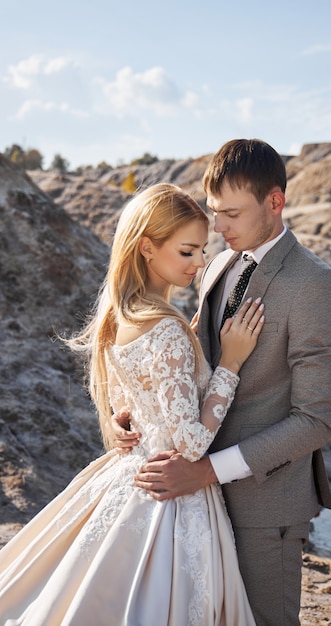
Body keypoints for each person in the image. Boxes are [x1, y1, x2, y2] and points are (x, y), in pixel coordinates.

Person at [0, 183, 266, 625]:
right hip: (171, 494)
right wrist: (231, 363)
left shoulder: (122, 314)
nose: (200, 263)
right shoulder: (164, 329)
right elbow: (193, 443)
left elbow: (129, 400)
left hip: (128, 477)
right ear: (146, 247)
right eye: (187, 251)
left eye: (202, 250)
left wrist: (127, 414)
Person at [113, 140, 331, 626]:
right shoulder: (218, 264)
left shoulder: (315, 286)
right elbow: (190, 371)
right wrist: (135, 414)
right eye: (214, 213)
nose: (218, 228)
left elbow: (314, 422)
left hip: (265, 505)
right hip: (193, 505)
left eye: (232, 215)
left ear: (275, 202)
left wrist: (205, 472)